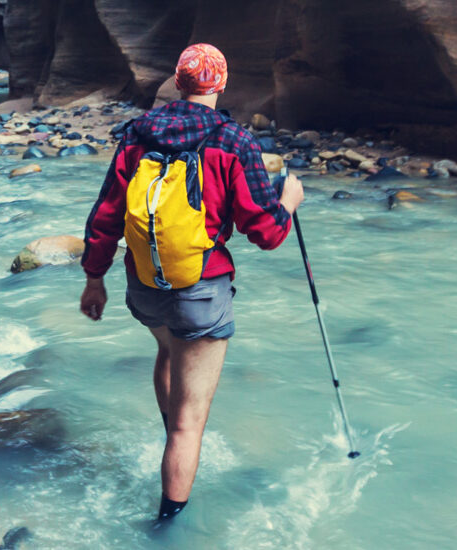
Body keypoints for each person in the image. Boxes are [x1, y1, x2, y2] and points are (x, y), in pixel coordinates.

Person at [79, 43, 305, 521]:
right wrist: (289, 202)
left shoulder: (136, 136)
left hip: (144, 286)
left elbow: (106, 216)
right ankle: (168, 524)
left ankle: (168, 434)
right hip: (201, 291)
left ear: (178, 84)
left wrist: (93, 280)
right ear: (221, 85)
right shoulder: (234, 141)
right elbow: (265, 233)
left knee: (167, 349)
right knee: (190, 426)